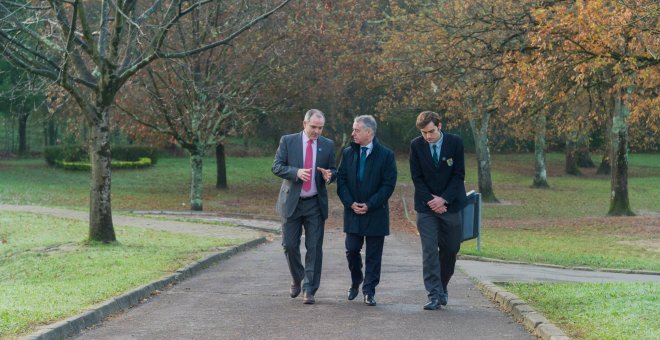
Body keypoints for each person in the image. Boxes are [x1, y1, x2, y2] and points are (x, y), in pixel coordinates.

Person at [272, 109, 336, 305]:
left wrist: (330, 175)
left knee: (314, 247)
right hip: (292, 201)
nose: (317, 131)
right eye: (313, 127)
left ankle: (309, 288)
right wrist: (296, 172)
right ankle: (297, 276)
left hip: (315, 203)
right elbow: (276, 166)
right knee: (289, 246)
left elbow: (333, 170)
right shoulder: (288, 141)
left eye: (320, 128)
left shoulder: (328, 145)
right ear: (304, 124)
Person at [409, 111, 467, 310]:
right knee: (429, 251)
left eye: (431, 131)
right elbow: (417, 178)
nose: (428, 137)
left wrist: (444, 200)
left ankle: (442, 286)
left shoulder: (455, 142)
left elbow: (459, 175)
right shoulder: (416, 145)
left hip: (451, 205)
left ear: (439, 126)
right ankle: (433, 294)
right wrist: (431, 201)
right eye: (424, 133)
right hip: (426, 207)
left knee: (451, 249)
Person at [337, 115, 397, 306]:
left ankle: (369, 291)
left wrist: (370, 204)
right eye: (353, 129)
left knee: (373, 255)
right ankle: (356, 280)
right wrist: (350, 203)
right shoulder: (348, 153)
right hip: (353, 211)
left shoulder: (386, 155)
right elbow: (342, 181)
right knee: (351, 250)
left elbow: (388, 185)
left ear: (369, 132)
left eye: (356, 130)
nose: (353, 133)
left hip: (376, 212)